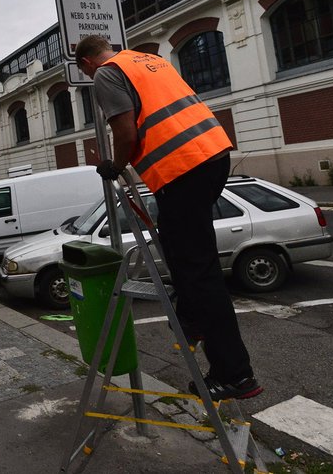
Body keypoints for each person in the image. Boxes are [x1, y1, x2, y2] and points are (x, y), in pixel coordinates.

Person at [74, 34, 260, 401]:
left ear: (85, 64)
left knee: (199, 271)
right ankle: (190, 315)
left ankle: (236, 375)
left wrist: (116, 165)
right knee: (180, 246)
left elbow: (126, 131)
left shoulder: (105, 75)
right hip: (212, 153)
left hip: (181, 169)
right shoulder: (148, 61)